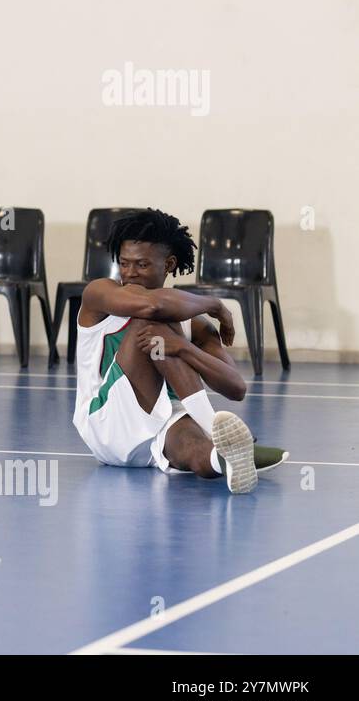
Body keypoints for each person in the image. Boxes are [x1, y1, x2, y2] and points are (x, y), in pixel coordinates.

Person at [74, 208, 288, 494]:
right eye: (124, 264)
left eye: (141, 265)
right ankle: (213, 427)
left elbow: (236, 388)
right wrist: (215, 305)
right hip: (106, 423)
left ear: (169, 264)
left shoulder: (194, 327)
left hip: (160, 426)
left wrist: (186, 349)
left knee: (196, 451)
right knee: (151, 323)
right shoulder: (98, 294)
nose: (129, 274)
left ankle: (221, 458)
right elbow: (152, 306)